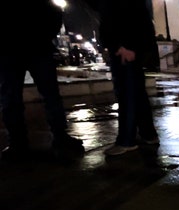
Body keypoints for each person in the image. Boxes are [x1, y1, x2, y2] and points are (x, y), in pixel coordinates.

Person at [0, 0, 84, 161]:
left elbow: (53, 12)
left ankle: (23, 142)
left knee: (19, 98)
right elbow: (54, 11)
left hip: (26, 48)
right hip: (23, 48)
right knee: (17, 98)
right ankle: (21, 141)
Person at [86, 0, 160, 156]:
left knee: (127, 94)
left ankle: (127, 140)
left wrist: (124, 46)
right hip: (127, 47)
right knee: (136, 92)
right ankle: (148, 134)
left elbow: (122, 18)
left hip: (124, 48)